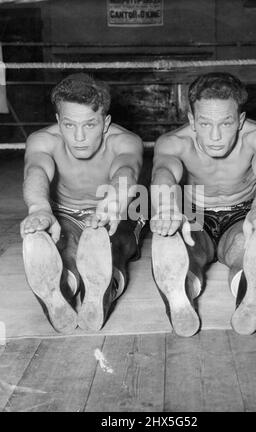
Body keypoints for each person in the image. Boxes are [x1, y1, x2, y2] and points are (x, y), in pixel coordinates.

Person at [151, 72, 256, 337]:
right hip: (194, 215)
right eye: (204, 123)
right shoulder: (174, 143)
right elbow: (163, 172)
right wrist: (166, 209)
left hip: (241, 213)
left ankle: (246, 290)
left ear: (240, 120)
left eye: (225, 124)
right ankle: (181, 294)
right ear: (191, 120)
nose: (215, 136)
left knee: (252, 242)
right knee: (180, 246)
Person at [21, 73, 144, 334]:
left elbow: (127, 171)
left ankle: (102, 289)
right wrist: (39, 208)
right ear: (58, 121)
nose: (78, 136)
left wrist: (111, 207)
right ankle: (65, 287)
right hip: (65, 210)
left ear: (106, 122)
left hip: (118, 208)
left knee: (111, 244)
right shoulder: (42, 140)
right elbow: (36, 171)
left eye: (89, 125)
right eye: (69, 125)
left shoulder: (125, 141)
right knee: (66, 246)